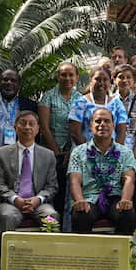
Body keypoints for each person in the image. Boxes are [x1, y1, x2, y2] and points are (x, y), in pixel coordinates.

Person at [0, 110, 59, 270]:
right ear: (15, 127)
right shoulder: (2, 153)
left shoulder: (48, 155)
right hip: (11, 202)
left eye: (31, 124)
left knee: (51, 217)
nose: (27, 127)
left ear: (38, 128)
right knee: (7, 216)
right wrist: (16, 199)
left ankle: (47, 268)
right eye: (23, 123)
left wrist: (38, 199)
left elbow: (52, 186)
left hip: (39, 202)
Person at [68, 108, 136, 235]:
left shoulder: (125, 152)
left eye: (107, 121)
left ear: (113, 125)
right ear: (91, 125)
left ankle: (120, 254)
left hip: (115, 197)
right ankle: (85, 254)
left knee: (127, 214)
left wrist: (125, 200)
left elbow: (129, 179)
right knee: (80, 215)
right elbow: (75, 180)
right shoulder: (78, 152)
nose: (102, 125)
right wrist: (79, 201)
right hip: (89, 198)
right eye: (98, 121)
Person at [0, 67, 38, 191]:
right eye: (5, 79)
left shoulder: (29, 105)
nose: (9, 83)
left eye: (13, 80)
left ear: (19, 84)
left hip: (20, 161)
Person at [39, 61, 81, 214]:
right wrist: (56, 153)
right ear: (58, 76)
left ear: (76, 77)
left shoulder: (81, 98)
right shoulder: (48, 97)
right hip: (51, 151)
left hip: (74, 151)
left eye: (71, 75)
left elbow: (81, 127)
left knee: (70, 190)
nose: (67, 78)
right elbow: (44, 127)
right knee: (52, 190)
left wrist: (72, 151)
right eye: (64, 74)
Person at [69, 67, 128, 147]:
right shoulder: (80, 103)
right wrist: (89, 152)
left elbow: (121, 132)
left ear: (110, 82)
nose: (101, 83)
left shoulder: (117, 104)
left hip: (111, 155)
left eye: (105, 80)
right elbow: (75, 132)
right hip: (84, 153)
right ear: (90, 80)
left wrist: (114, 152)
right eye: (97, 79)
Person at [113, 64, 136, 157]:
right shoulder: (109, 101)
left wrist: (134, 154)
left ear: (133, 80)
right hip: (112, 149)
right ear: (114, 80)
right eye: (121, 77)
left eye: (128, 77)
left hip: (134, 150)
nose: (125, 80)